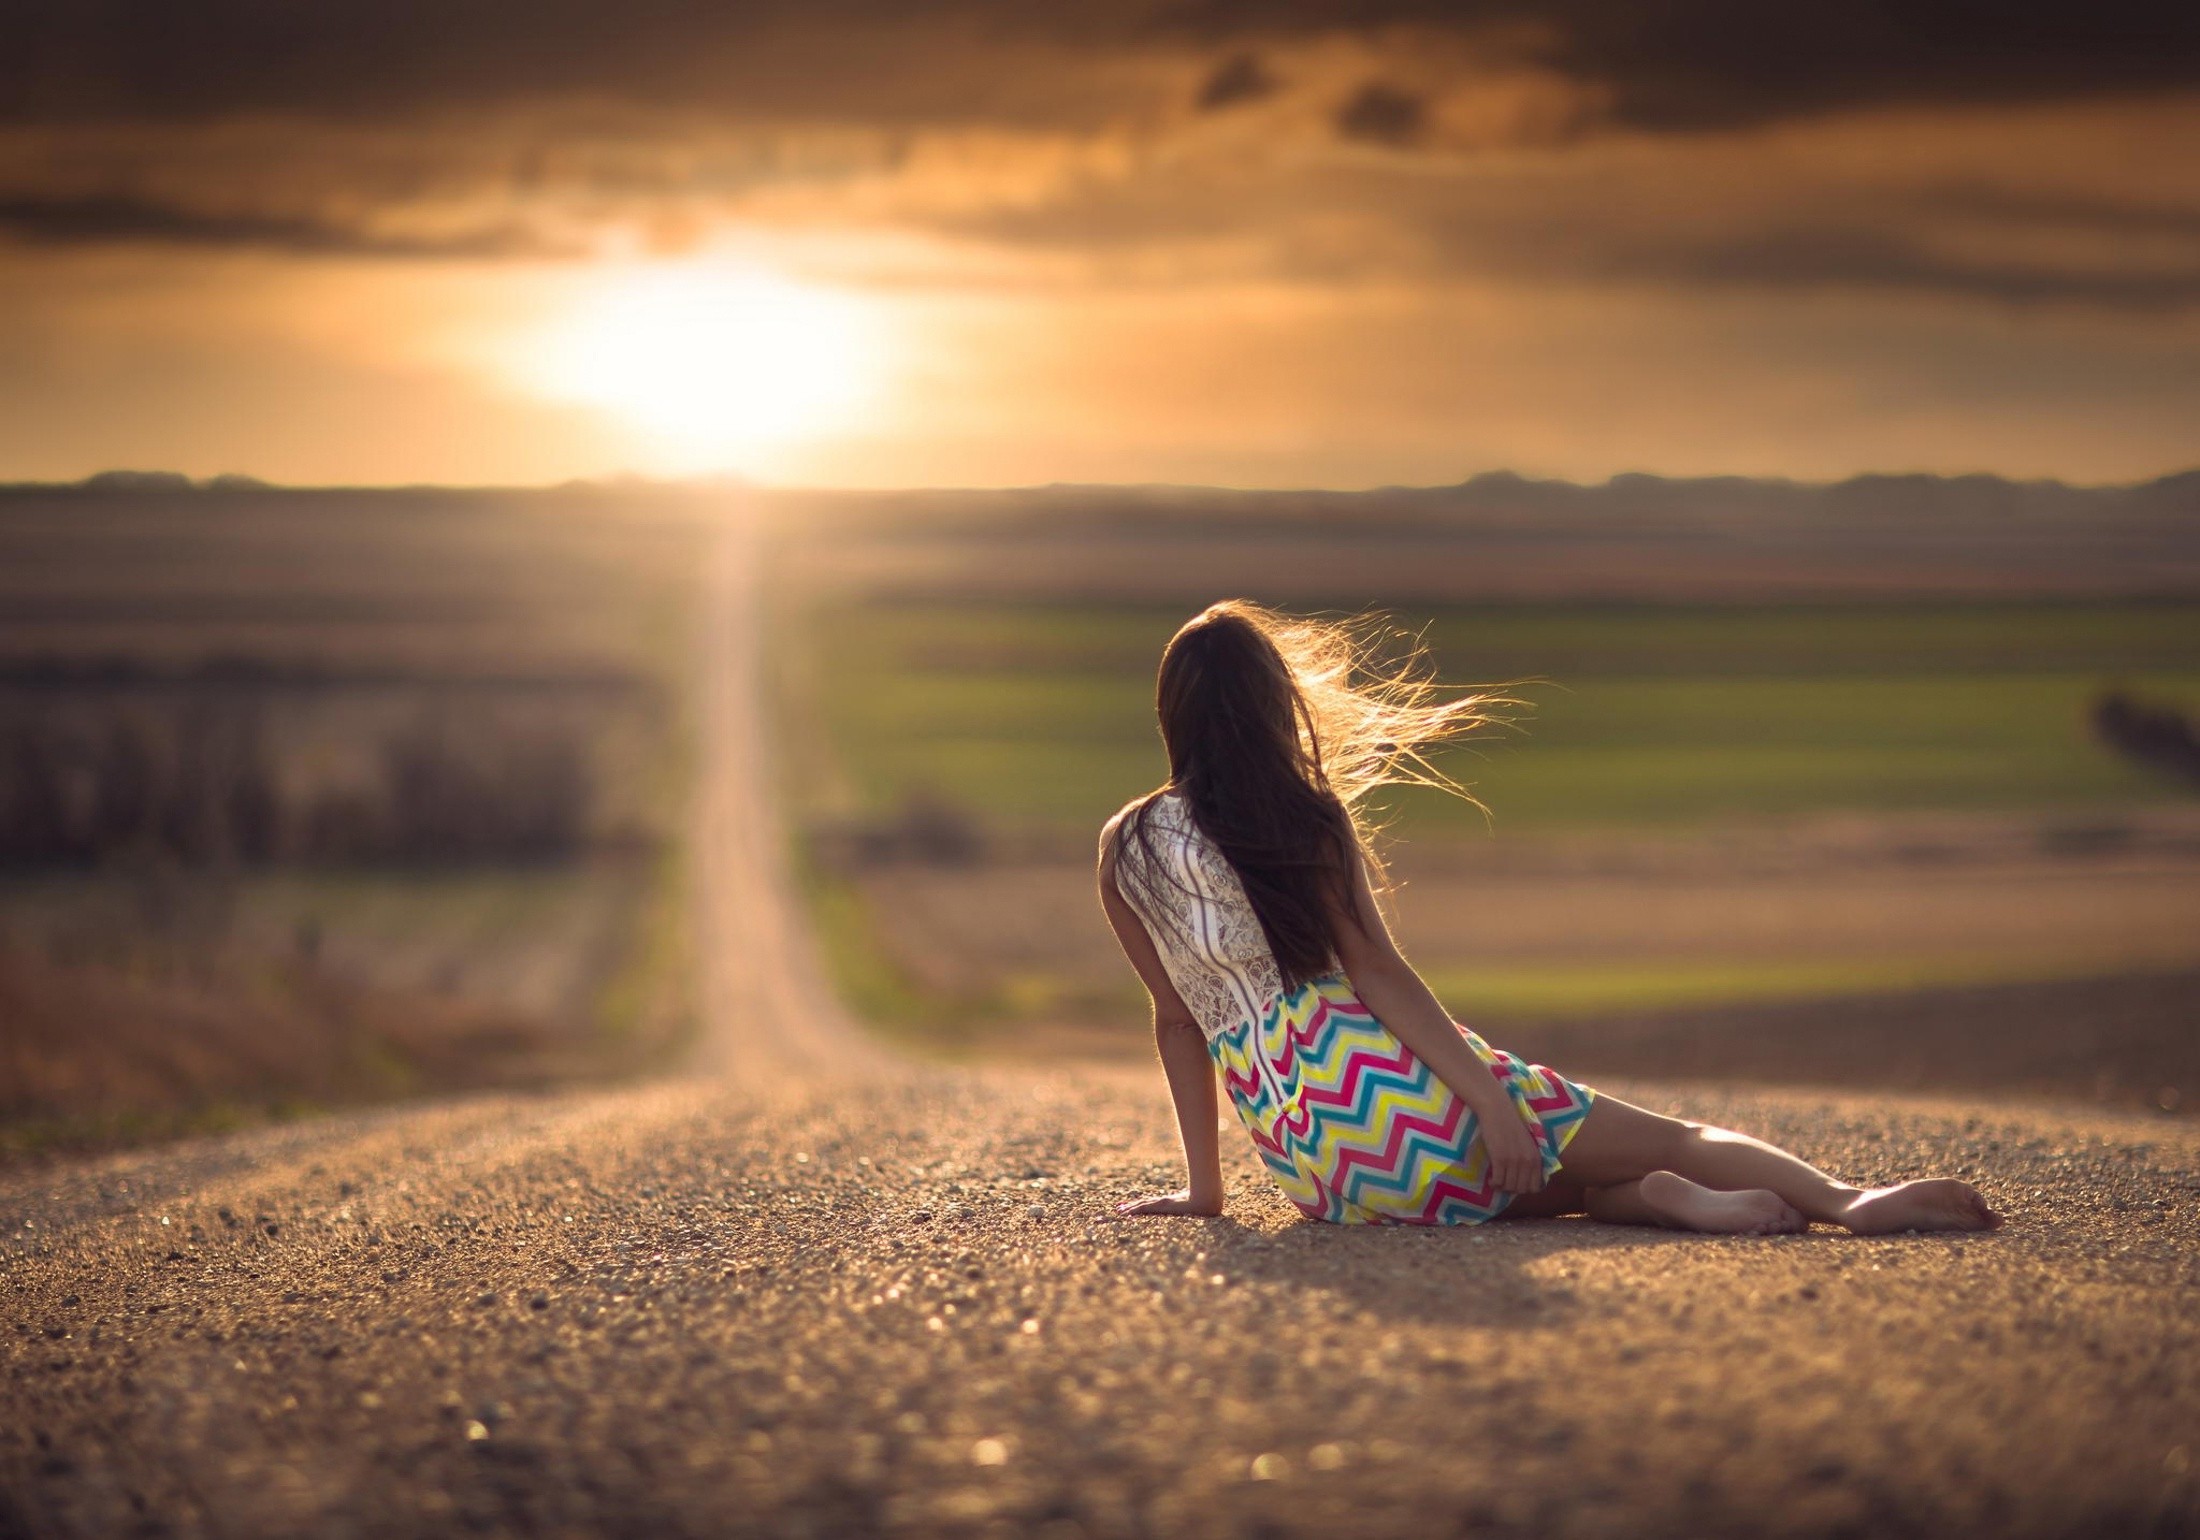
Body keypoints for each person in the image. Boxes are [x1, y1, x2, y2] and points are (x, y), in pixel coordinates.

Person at [1096, 600, 2001, 1236]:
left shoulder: (1125, 846)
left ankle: (1659, 1199)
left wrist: (1204, 1191)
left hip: (1327, 1166)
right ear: (1270, 706)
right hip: (1399, 1090)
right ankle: (1846, 1201)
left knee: (1564, 1189)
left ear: (1170, 714)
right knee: (1661, 1137)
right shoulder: (1306, 813)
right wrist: (1489, 1100)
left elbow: (1180, 1021)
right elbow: (1378, 979)